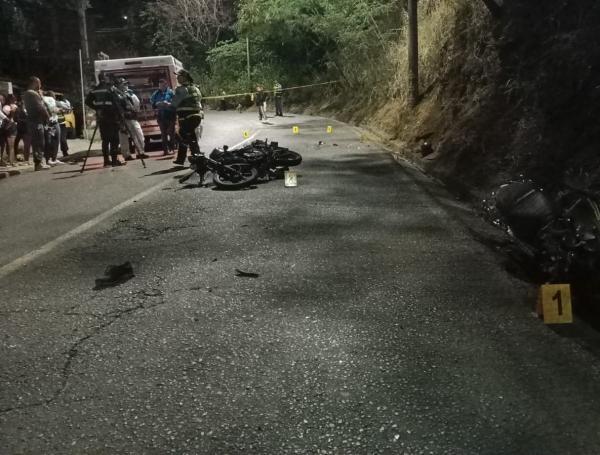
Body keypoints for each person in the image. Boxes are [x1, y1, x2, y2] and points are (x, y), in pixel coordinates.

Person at [85, 72, 124, 167]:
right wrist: (121, 115)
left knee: (105, 140)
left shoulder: (95, 90)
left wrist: (96, 108)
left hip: (101, 118)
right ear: (105, 78)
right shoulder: (110, 89)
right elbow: (117, 103)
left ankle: (106, 161)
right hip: (112, 117)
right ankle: (114, 161)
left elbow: (87, 101)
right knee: (114, 140)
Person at [171, 69, 203, 165]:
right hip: (196, 116)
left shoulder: (181, 89)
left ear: (184, 77)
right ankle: (182, 159)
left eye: (179, 76)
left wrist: (164, 105)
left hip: (187, 117)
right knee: (187, 135)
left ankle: (197, 156)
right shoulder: (195, 87)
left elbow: (174, 103)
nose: (177, 78)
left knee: (182, 136)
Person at [22, 77, 50, 171]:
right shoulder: (32, 94)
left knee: (37, 142)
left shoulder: (27, 93)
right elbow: (40, 107)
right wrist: (47, 116)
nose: (40, 85)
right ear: (34, 83)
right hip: (36, 121)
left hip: (33, 121)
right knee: (39, 142)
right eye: (39, 83)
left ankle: (39, 162)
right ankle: (38, 163)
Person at [115, 78, 146, 161]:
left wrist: (135, 111)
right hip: (122, 119)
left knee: (139, 135)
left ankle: (140, 152)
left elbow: (137, 103)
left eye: (126, 84)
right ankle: (127, 155)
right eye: (123, 84)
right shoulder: (116, 94)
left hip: (132, 117)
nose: (126, 85)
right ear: (118, 85)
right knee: (124, 138)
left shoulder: (130, 93)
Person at [150, 78, 176, 156]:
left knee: (171, 132)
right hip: (161, 116)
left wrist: (169, 103)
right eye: (159, 86)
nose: (161, 87)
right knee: (163, 134)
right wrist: (156, 104)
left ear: (166, 85)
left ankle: (172, 147)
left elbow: (176, 101)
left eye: (162, 85)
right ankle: (165, 150)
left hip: (170, 115)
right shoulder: (156, 93)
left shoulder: (171, 92)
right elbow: (152, 101)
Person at [42, 91, 63, 166]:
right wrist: (59, 109)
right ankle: (48, 159)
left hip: (55, 122)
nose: (55, 97)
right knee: (50, 141)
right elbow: (53, 109)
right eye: (54, 95)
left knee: (55, 140)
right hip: (50, 124)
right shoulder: (48, 99)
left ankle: (54, 158)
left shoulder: (52, 101)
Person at [0, 94, 17, 167]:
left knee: (4, 145)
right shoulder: (8, 107)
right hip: (9, 126)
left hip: (5, 127)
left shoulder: (4, 106)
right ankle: (10, 161)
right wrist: (12, 112)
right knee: (10, 146)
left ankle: (5, 161)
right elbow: (10, 117)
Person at [13, 97, 31, 165]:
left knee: (27, 145)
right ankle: (17, 157)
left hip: (28, 130)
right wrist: (26, 121)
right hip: (21, 129)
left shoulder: (30, 110)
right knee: (16, 144)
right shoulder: (18, 109)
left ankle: (27, 159)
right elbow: (15, 119)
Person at [55, 93, 71, 158]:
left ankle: (64, 151)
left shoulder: (57, 102)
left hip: (61, 122)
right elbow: (68, 110)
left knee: (61, 139)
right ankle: (64, 151)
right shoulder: (66, 102)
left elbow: (68, 110)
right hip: (61, 122)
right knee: (62, 138)